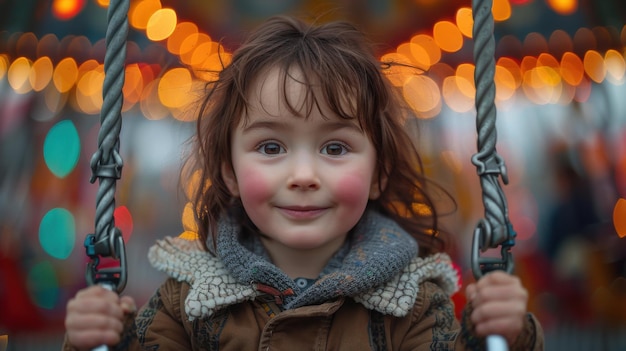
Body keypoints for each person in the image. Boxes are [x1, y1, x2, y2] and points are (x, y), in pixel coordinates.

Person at [64, 15, 543, 350]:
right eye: (271, 148)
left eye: (335, 148)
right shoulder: (189, 301)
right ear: (228, 170)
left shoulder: (412, 305)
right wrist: (97, 338)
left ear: (377, 172)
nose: (304, 177)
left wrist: (503, 335)